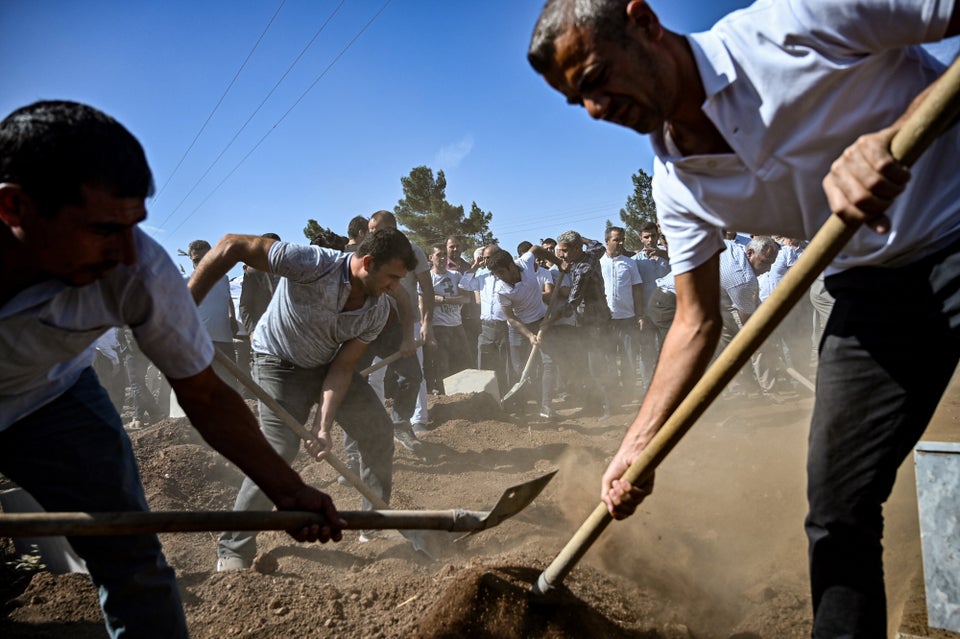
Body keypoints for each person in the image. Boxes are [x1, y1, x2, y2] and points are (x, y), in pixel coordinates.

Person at [529, 1, 960, 635]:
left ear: (643, 23)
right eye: (577, 100)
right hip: (868, 291)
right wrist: (637, 443)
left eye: (593, 78)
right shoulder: (675, 185)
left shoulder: (795, 23)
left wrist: (893, 133)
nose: (593, 109)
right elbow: (696, 321)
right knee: (838, 507)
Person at [0, 100, 343, 638]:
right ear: (16, 208)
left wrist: (288, 488)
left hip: (54, 397)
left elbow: (205, 396)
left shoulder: (140, 270)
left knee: (131, 554)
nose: (129, 252)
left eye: (135, 225)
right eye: (103, 228)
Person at [189, 227, 417, 569]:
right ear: (367, 262)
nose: (395, 287)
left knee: (377, 430)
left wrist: (323, 426)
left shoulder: (377, 311)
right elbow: (232, 246)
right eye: (391, 277)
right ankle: (234, 549)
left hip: (326, 365)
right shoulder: (311, 263)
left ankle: (373, 523)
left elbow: (342, 369)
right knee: (278, 451)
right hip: (278, 362)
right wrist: (186, 306)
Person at [554, 230, 613, 417]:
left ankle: (607, 407)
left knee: (596, 365)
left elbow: (572, 302)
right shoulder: (592, 253)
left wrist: (549, 320)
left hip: (593, 322)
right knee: (589, 364)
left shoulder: (582, 269)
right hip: (598, 317)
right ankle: (594, 404)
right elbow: (597, 244)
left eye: (564, 250)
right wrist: (577, 236)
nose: (561, 255)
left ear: (577, 249)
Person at [460, 245, 513, 396]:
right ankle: (487, 399)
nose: (485, 261)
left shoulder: (508, 277)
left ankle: (509, 399)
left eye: (488, 258)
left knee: (506, 364)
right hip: (486, 328)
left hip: (505, 327)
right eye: (483, 258)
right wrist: (475, 265)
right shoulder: (483, 278)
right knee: (484, 363)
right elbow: (463, 284)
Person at [422, 244, 471, 395]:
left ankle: (465, 394)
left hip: (457, 324)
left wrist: (442, 299)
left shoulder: (456, 275)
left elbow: (466, 298)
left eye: (444, 255)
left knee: (465, 361)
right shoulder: (428, 278)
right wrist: (427, 329)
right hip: (438, 326)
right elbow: (423, 304)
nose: (443, 258)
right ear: (430, 258)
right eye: (439, 255)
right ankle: (444, 395)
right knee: (442, 365)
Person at [599, 226, 643, 392]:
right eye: (616, 239)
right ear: (607, 241)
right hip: (606, 320)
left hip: (627, 318)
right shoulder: (599, 264)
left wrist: (639, 315)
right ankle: (614, 393)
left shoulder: (630, 263)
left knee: (629, 357)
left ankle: (629, 391)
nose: (620, 243)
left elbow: (637, 289)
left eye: (622, 239)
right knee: (609, 357)